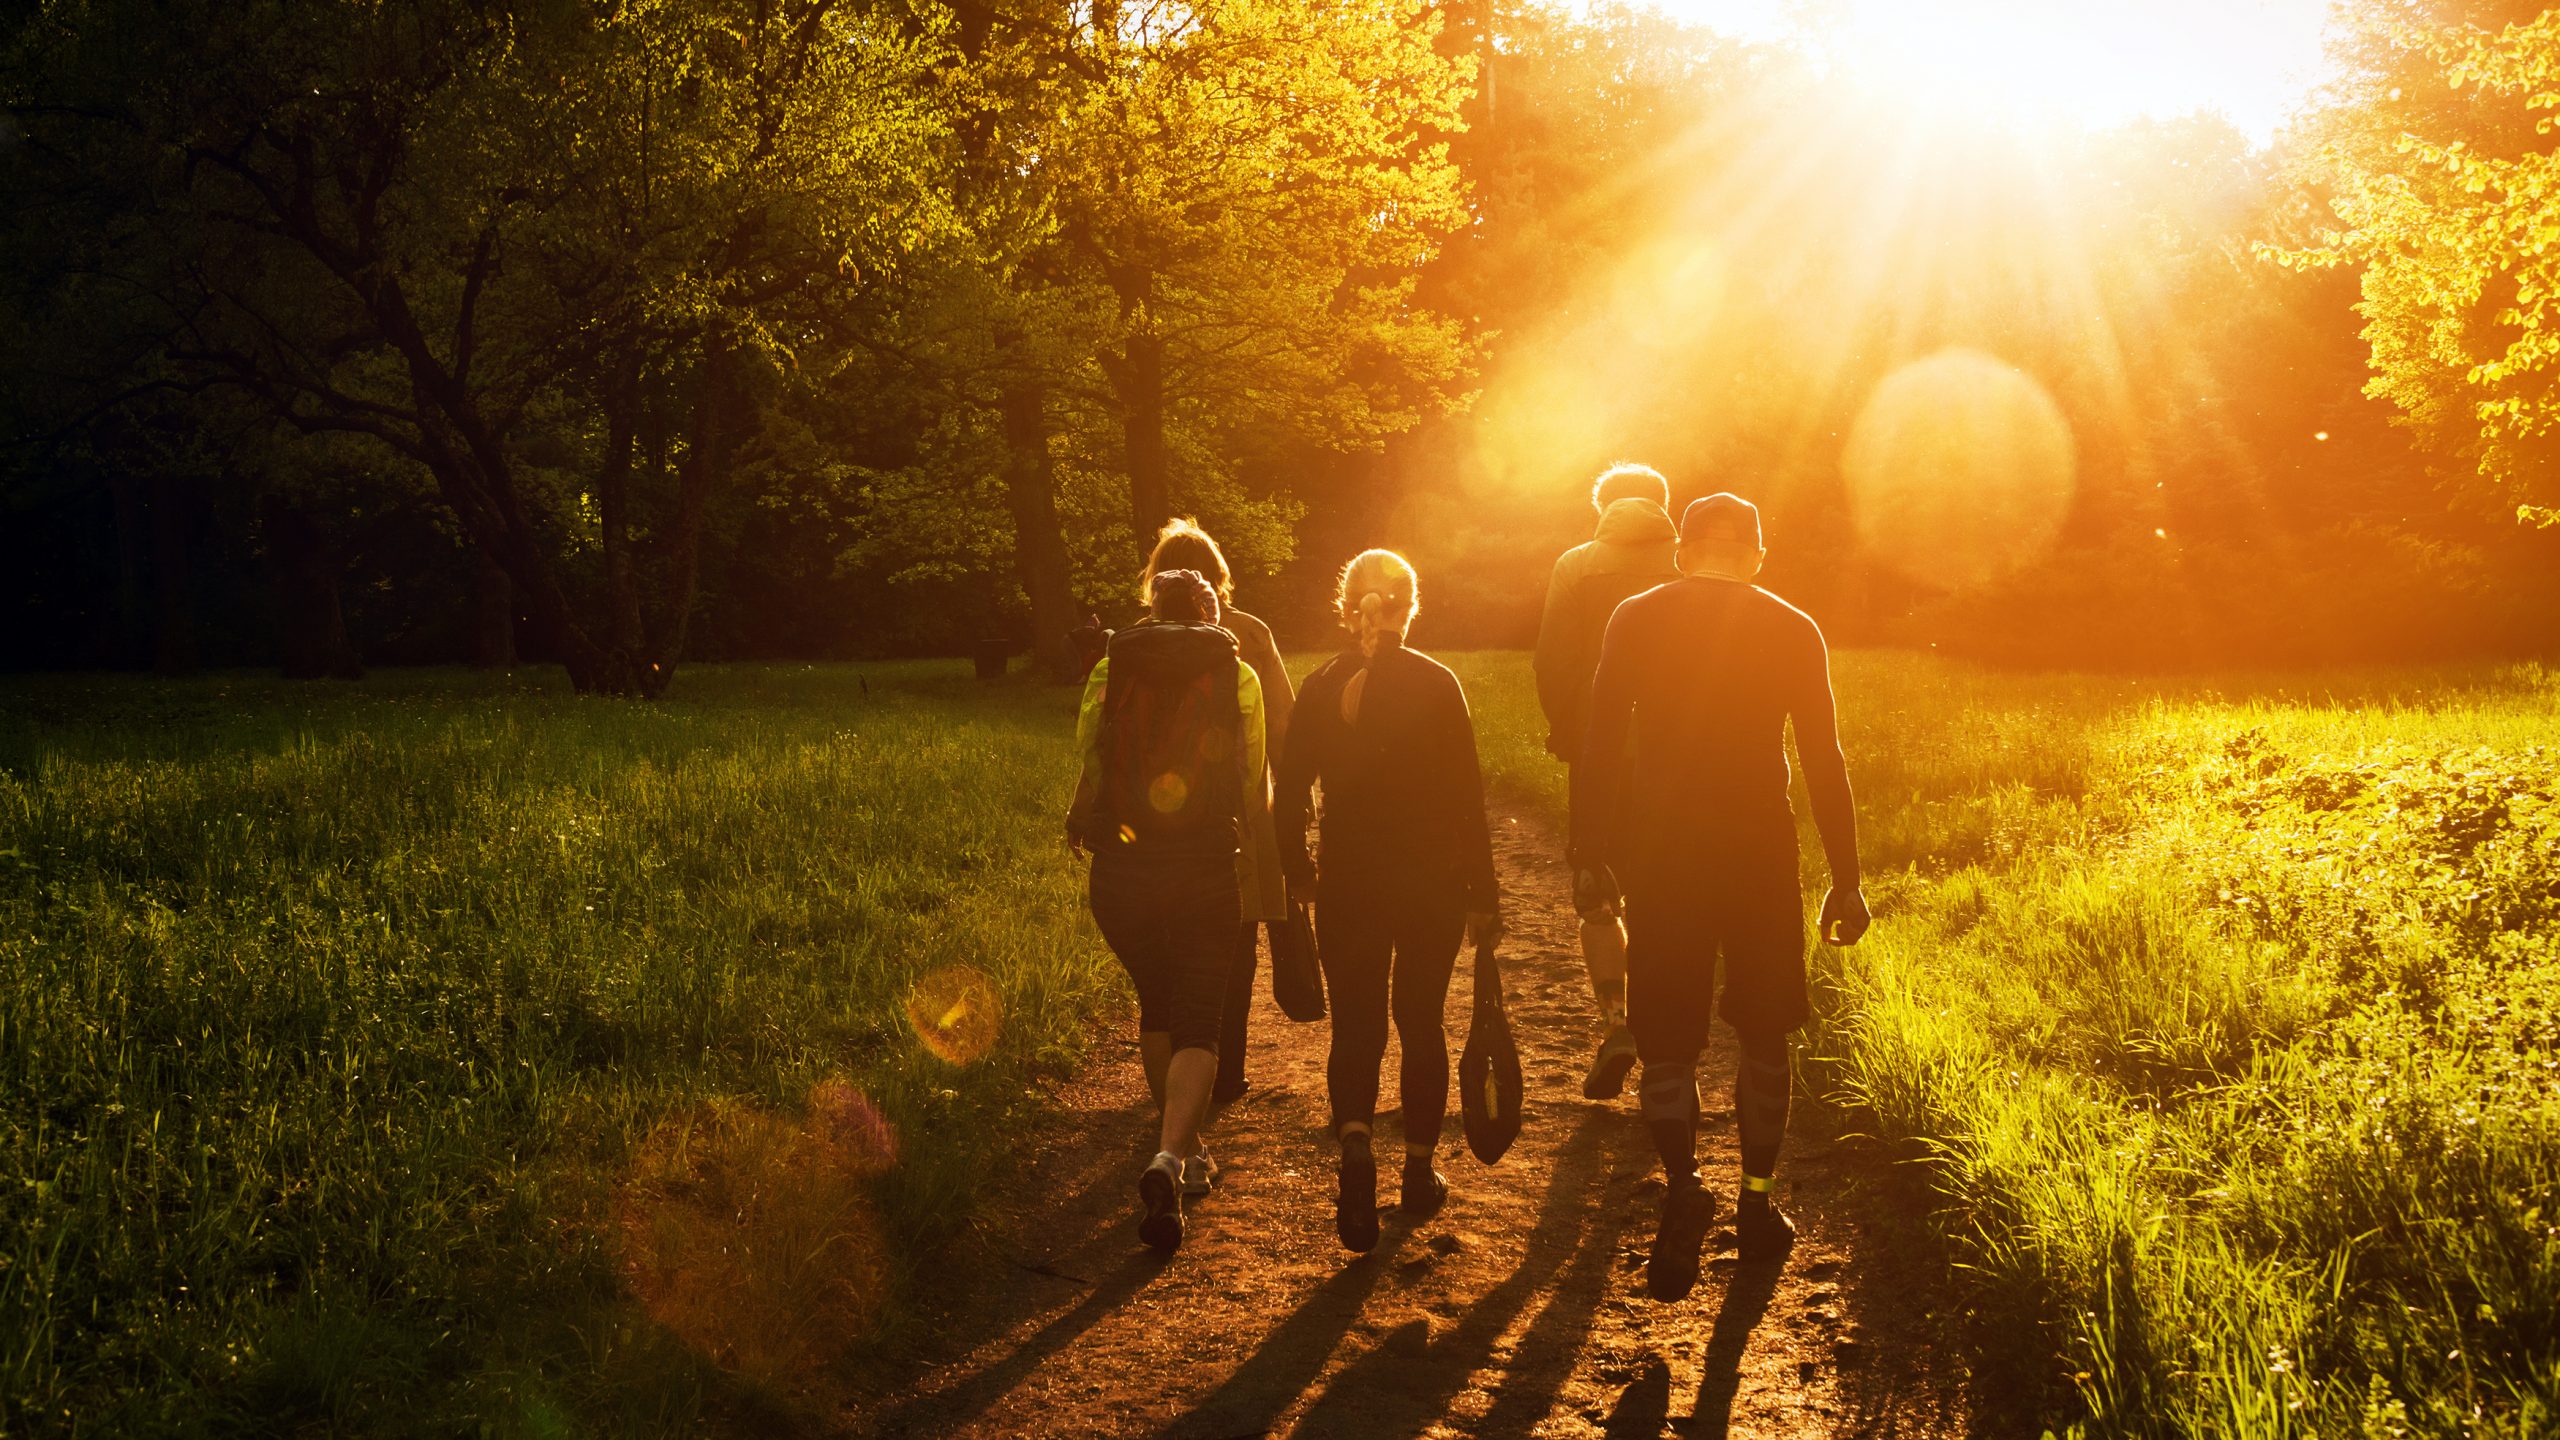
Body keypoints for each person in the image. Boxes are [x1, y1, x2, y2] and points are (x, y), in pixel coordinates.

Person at [1570, 492, 1870, 1301]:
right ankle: (1759, 1204)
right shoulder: (1791, 626)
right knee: (1766, 1035)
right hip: (1760, 854)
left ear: (1683, 551)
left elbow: (1600, 742)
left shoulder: (1636, 616)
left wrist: (1588, 852)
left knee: (1668, 1043)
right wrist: (1847, 876)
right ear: (1757, 556)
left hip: (1663, 853)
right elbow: (1823, 758)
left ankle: (1683, 1187)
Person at [1276, 549, 1501, 1254]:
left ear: (1348, 609)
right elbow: (1468, 796)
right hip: (1430, 884)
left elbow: (1288, 797)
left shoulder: (1319, 686)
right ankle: (1418, 1171)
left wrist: (1299, 873)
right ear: (1409, 606)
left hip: (1349, 880)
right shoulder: (1438, 684)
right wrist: (1482, 893)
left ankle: (1355, 1159)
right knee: (1421, 1022)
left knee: (1357, 1030)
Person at [1067, 569, 1273, 1252]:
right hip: (1205, 867)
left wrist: (1102, 816)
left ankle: (1182, 1153)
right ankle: (1172, 1156)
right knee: (1199, 1017)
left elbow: (1089, 754)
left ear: (1152, 612)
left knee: (1156, 1000)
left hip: (1122, 869)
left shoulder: (1112, 664)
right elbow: (1251, 775)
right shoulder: (1235, 672)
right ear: (1213, 613)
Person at [1532, 462, 1681, 1102]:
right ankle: (1666, 1041)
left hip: (1601, 755)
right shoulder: (1691, 563)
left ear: (1603, 507)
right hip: (1681, 762)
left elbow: (1553, 660)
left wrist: (1572, 734)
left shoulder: (1576, 564)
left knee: (1598, 889)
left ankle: (1616, 1025)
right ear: (1663, 504)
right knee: (1666, 896)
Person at [1140, 519, 1295, 1107]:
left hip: (1158, 819)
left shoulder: (1136, 641)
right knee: (1234, 943)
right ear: (1219, 576)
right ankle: (1223, 1074)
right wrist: (1293, 801)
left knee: (1171, 943)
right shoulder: (1249, 634)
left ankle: (1176, 1071)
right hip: (1237, 821)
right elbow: (1282, 726)